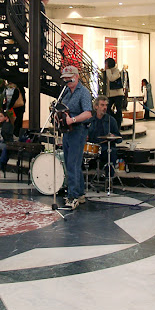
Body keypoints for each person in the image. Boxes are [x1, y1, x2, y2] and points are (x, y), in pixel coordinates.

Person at [60, 65, 93, 210]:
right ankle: (79, 193)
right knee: (70, 162)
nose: (67, 80)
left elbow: (88, 113)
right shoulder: (66, 92)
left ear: (76, 76)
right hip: (67, 131)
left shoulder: (83, 92)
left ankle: (73, 195)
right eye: (65, 78)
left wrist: (72, 120)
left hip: (78, 130)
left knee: (73, 163)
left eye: (69, 77)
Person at [88, 95, 122, 177]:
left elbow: (119, 138)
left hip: (106, 147)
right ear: (96, 106)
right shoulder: (90, 121)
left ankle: (109, 179)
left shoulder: (111, 120)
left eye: (106, 105)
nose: (105, 107)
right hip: (94, 148)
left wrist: (113, 136)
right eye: (102, 105)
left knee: (111, 152)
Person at [104, 58, 124, 129]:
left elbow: (111, 78)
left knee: (118, 110)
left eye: (106, 63)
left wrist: (108, 70)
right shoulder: (106, 71)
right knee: (107, 109)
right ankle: (112, 122)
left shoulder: (116, 71)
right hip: (109, 95)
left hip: (118, 94)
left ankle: (118, 125)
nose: (105, 65)